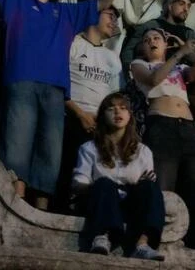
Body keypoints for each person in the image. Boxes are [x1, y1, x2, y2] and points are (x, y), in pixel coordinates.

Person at [0, 0, 129, 211]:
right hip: (21, 82)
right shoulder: (15, 0)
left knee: (49, 155)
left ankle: (41, 214)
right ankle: (14, 208)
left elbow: (102, 3)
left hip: (55, 91)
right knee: (16, 149)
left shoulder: (65, 12)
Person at [131, 27, 195, 250]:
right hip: (161, 125)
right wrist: (178, 53)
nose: (151, 41)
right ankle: (150, 242)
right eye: (147, 39)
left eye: (156, 37)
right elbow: (153, 79)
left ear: (165, 43)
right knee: (161, 187)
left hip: (188, 128)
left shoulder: (179, 68)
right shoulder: (140, 65)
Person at [72, 92, 165, 261]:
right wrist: (98, 186)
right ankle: (102, 237)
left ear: (130, 115)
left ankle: (142, 244)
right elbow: (78, 184)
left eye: (123, 108)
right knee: (105, 184)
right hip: (100, 202)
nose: (117, 112)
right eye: (111, 109)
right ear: (102, 115)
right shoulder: (89, 148)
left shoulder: (143, 151)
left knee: (150, 187)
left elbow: (145, 185)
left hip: (129, 204)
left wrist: (142, 183)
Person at [57, 4, 123, 209]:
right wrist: (79, 114)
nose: (114, 21)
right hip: (70, 118)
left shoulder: (112, 57)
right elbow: (57, 84)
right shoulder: (72, 44)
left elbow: (115, 97)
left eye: (116, 18)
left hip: (102, 126)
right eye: (110, 15)